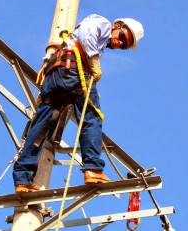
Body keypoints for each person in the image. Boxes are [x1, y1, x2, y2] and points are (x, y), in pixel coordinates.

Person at [13, 14, 144, 193]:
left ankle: (22, 178)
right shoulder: (103, 24)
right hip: (72, 70)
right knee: (92, 116)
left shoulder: (101, 40)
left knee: (42, 125)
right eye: (122, 37)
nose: (119, 43)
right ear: (117, 25)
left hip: (56, 76)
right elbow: (87, 32)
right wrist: (94, 62)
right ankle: (92, 168)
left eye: (124, 45)